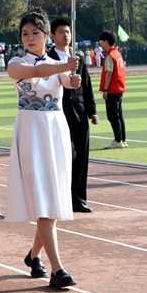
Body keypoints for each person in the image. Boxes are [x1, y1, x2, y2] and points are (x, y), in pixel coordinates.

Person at [6, 9, 81, 289]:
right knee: (43, 199)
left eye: (35, 33)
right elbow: (37, 71)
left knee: (53, 200)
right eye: (25, 33)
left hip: (55, 130)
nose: (30, 38)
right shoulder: (16, 63)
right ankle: (57, 270)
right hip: (31, 132)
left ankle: (34, 255)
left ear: (47, 36)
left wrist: (73, 78)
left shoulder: (59, 64)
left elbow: (67, 82)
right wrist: (64, 66)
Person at [48, 19, 99, 213]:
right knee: (62, 157)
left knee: (81, 157)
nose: (65, 35)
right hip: (58, 113)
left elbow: (87, 86)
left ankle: (77, 199)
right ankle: (58, 198)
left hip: (79, 114)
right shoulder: (48, 59)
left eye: (68, 32)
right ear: (52, 36)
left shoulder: (77, 59)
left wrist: (92, 111)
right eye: (61, 32)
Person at [99, 30, 127, 149]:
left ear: (106, 41)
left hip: (112, 89)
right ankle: (122, 139)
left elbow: (109, 73)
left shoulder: (110, 55)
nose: (100, 43)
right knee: (119, 115)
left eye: (101, 41)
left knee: (113, 116)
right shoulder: (117, 53)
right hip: (119, 88)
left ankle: (118, 140)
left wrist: (105, 90)